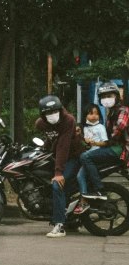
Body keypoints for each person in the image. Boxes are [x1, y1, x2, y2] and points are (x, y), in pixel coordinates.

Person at [35, 95, 86, 238]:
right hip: (59, 157)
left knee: (57, 185)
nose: (52, 115)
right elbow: (52, 137)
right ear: (43, 115)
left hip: (74, 157)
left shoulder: (68, 120)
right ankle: (70, 219)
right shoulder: (41, 124)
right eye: (48, 113)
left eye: (54, 111)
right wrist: (42, 148)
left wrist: (58, 173)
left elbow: (63, 146)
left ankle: (59, 225)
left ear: (60, 110)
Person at [80, 82, 129, 202]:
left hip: (120, 148)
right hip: (113, 146)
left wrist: (105, 142)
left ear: (116, 96)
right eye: (103, 97)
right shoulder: (111, 112)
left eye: (109, 95)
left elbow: (119, 128)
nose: (106, 99)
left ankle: (99, 189)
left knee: (86, 157)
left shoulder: (123, 110)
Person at [75, 104, 109, 214]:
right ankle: (84, 200)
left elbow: (105, 142)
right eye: (91, 113)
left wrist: (95, 143)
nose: (94, 116)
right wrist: (80, 135)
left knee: (81, 175)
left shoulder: (100, 127)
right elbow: (86, 141)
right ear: (86, 116)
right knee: (80, 176)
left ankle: (92, 194)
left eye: (96, 113)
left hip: (96, 155)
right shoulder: (86, 128)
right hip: (89, 156)